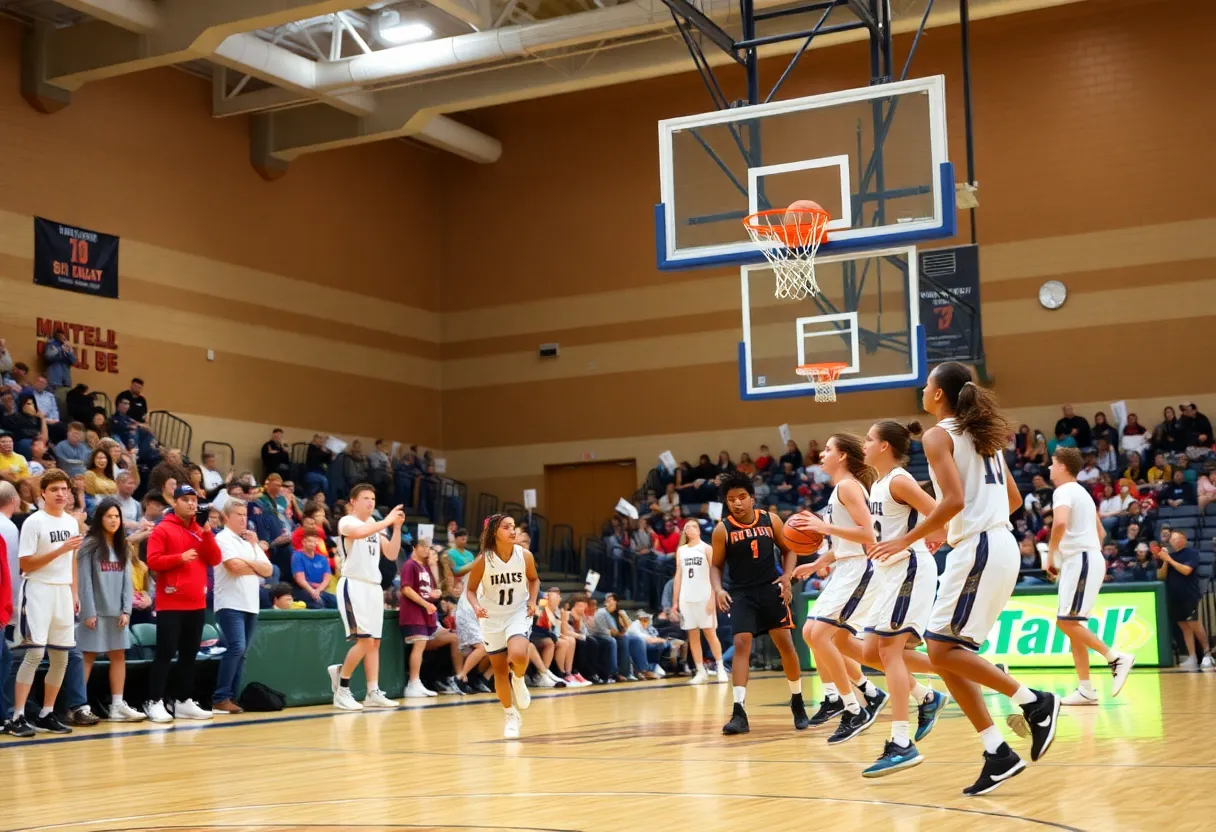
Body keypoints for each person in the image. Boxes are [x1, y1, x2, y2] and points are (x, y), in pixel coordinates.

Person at [869, 362, 1060, 796]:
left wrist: (911, 538)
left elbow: (953, 499)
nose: (922, 389)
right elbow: (1011, 499)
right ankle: (998, 752)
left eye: (927, 384)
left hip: (981, 548)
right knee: (943, 652)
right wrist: (970, 524)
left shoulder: (940, 435)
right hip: (994, 543)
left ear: (939, 395)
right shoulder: (982, 435)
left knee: (939, 648)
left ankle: (1034, 701)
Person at [848, 421, 949, 776]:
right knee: (869, 652)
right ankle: (929, 695)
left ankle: (901, 742)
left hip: (909, 569)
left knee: (890, 652)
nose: (864, 444)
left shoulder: (899, 481)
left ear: (885, 447)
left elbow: (941, 514)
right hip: (889, 573)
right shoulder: (877, 484)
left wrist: (931, 536)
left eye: (870, 439)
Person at [793, 433, 890, 745]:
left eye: (828, 449)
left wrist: (825, 528)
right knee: (813, 634)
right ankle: (867, 694)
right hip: (846, 568)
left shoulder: (848, 486)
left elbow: (868, 534)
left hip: (861, 569)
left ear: (843, 456)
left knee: (820, 634)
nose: (822, 453)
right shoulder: (840, 489)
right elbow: (846, 543)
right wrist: (815, 562)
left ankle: (852, 708)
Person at [711, 471, 808, 736]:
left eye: (742, 497)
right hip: (741, 593)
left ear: (752, 498)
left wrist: (787, 576)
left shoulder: (771, 519)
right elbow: (716, 566)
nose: (737, 503)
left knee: (785, 644)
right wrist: (718, 590)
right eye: (731, 499)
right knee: (742, 643)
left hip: (770, 589)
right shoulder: (723, 529)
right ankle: (739, 712)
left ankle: (797, 701)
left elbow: (790, 550)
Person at [1046, 448, 1136, 705]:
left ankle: (1115, 658)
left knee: (1066, 622)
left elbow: (1060, 523)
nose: (1050, 469)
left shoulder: (1063, 491)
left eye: (1052, 464)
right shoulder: (1083, 493)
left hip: (1081, 559)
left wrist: (1053, 555)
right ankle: (1085, 689)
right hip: (1085, 558)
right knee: (1073, 624)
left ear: (1063, 466)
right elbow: (1101, 533)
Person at [2, 470, 83, 736]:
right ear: (43, 493)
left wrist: (74, 593)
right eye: (55, 489)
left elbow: (72, 561)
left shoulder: (72, 522)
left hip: (62, 592)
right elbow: (25, 564)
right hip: (37, 590)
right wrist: (59, 549)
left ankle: (47, 713)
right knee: (35, 654)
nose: (61, 493)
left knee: (61, 657)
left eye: (64, 489)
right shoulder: (34, 522)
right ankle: (17, 716)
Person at [144, 485, 223, 723]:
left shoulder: (200, 530)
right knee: (166, 653)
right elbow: (153, 561)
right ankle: (154, 700)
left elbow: (215, 558)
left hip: (196, 603)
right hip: (171, 602)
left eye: (194, 500)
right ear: (175, 502)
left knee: (190, 655)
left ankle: (183, 701)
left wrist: (207, 530)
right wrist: (180, 558)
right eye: (186, 499)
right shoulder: (163, 529)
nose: (191, 504)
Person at [328, 484, 405, 710]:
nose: (370, 502)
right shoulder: (347, 522)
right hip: (354, 584)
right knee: (364, 641)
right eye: (365, 498)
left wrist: (397, 528)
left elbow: (390, 553)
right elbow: (359, 533)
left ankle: (373, 691)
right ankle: (341, 688)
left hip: (373, 587)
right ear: (353, 501)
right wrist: (388, 520)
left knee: (375, 643)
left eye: (373, 498)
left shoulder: (374, 525)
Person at [465, 514, 541, 738]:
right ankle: (510, 715)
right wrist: (476, 606)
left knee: (518, 654)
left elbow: (534, 579)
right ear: (494, 532)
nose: (512, 530)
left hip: (518, 612)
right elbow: (470, 590)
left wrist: (532, 600)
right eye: (506, 527)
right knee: (499, 670)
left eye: (514, 527)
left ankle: (518, 679)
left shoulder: (524, 556)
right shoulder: (483, 560)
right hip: (492, 617)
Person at [76, 498, 145, 722]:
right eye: (109, 516)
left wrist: (127, 610)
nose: (114, 520)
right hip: (95, 613)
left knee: (118, 656)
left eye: (117, 516)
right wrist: (88, 612)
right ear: (100, 518)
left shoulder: (122, 545)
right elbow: (84, 582)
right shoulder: (89, 545)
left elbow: (127, 581)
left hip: (118, 614)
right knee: (88, 656)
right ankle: (78, 706)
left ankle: (117, 705)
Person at [212, 498, 274, 713]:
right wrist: (255, 567)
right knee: (236, 647)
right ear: (226, 517)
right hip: (230, 603)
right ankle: (221, 697)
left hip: (250, 604)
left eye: (245, 515)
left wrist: (255, 549)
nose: (243, 519)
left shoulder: (249, 542)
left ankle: (231, 698)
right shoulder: (222, 538)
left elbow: (268, 571)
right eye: (238, 515)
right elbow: (233, 567)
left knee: (242, 652)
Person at [673, 518, 727, 684]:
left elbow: (714, 574)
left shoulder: (707, 548)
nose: (689, 529)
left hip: (704, 596)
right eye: (687, 527)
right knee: (693, 635)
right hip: (686, 598)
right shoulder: (681, 550)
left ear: (698, 530)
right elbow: (678, 576)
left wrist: (713, 597)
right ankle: (700, 671)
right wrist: (675, 602)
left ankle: (720, 668)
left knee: (710, 633)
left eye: (693, 526)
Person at [400, 539, 446, 698]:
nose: (427, 550)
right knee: (419, 646)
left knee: (423, 647)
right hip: (414, 612)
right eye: (424, 547)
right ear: (415, 548)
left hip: (425, 612)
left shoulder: (425, 567)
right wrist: (425, 603)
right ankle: (413, 683)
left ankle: (417, 682)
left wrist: (435, 594)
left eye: (428, 547)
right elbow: (406, 589)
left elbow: (431, 589)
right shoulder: (409, 565)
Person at [1159, 531, 1210, 670]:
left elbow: (1186, 570)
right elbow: (1161, 575)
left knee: (1194, 624)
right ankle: (1192, 657)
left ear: (1184, 539)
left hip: (1189, 595)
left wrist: (1169, 560)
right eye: (1172, 539)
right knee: (1184, 627)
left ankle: (1207, 654)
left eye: (1177, 538)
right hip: (1175, 596)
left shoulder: (1191, 553)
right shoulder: (1170, 556)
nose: (1174, 540)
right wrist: (1164, 560)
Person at [291, 529, 336, 609]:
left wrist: (318, 590)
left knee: (336, 602)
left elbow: (327, 579)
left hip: (320, 590)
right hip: (304, 590)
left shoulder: (322, 558)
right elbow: (300, 579)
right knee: (319, 603)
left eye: (315, 542)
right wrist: (313, 591)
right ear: (303, 542)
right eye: (310, 541)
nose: (313, 544)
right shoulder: (297, 556)